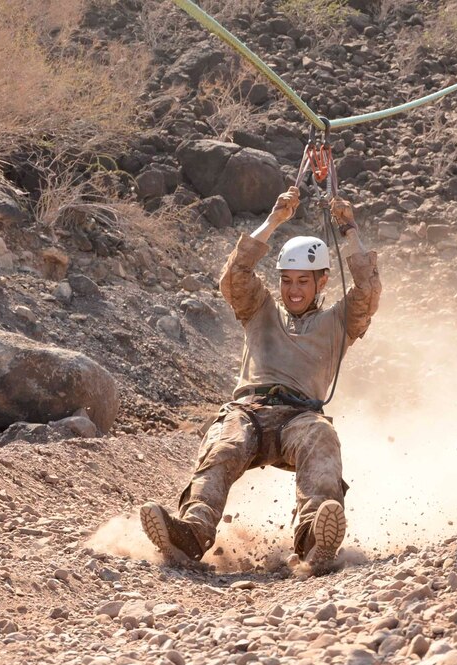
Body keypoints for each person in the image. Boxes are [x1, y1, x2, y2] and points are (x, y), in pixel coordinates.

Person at [141, 185, 381, 571]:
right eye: (287, 280)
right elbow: (236, 275)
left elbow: (367, 291)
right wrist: (273, 220)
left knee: (321, 436)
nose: (293, 290)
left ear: (321, 283)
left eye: (303, 281)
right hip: (248, 411)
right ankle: (190, 534)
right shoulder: (259, 307)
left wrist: (350, 229)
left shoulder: (339, 321)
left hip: (300, 417)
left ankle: (315, 541)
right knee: (225, 443)